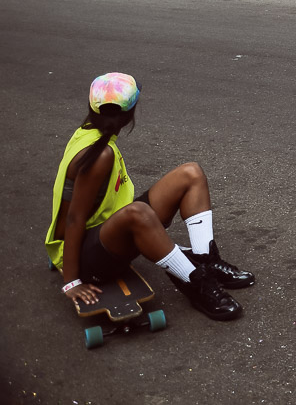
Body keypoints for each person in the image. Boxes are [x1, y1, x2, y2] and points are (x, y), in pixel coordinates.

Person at [45, 73, 253, 321]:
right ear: (129, 115)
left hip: (109, 232)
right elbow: (74, 218)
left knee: (190, 173)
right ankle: (198, 283)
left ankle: (206, 261)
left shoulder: (91, 133)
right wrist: (71, 281)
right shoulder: (100, 156)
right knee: (138, 213)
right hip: (89, 257)